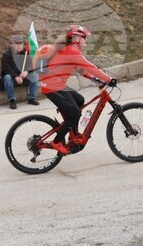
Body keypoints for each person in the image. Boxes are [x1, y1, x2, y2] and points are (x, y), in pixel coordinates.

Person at [39, 25, 115, 156]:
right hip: (52, 87)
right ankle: (56, 142)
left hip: (55, 85)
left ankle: (73, 133)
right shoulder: (72, 51)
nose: (86, 41)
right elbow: (90, 66)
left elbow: (81, 69)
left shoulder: (69, 49)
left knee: (79, 100)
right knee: (75, 113)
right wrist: (108, 79)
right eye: (84, 38)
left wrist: (95, 79)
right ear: (77, 38)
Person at [1, 34, 40, 108]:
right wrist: (15, 77)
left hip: (24, 78)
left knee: (35, 76)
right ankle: (12, 100)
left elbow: (32, 65)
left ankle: (31, 98)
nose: (19, 46)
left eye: (21, 43)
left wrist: (26, 71)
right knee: (7, 77)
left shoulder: (25, 53)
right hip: (12, 79)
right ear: (12, 44)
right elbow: (6, 69)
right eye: (17, 43)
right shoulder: (6, 55)